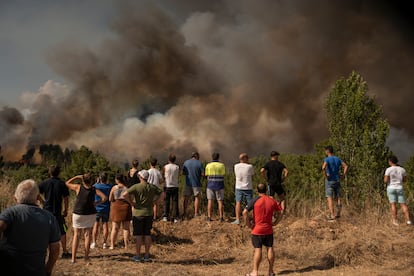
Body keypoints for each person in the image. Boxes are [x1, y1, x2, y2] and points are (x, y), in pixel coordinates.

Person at [0, 179, 60, 276]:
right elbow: (55, 249)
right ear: (37, 198)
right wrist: (48, 270)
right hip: (37, 271)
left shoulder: (10, 213)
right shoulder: (49, 217)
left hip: (9, 268)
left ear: (15, 198)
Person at [66, 173, 107, 263]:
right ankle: (86, 257)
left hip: (78, 213)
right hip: (90, 213)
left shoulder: (78, 187)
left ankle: (73, 259)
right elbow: (104, 198)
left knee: (76, 235)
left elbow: (67, 183)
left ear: (83, 180)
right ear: (91, 180)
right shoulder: (93, 189)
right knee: (87, 234)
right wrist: (96, 203)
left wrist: (76, 176)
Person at [243, 183, 283, 276]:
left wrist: (248, 224)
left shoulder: (255, 200)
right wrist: (276, 222)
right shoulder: (271, 200)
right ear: (266, 190)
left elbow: (244, 212)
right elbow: (281, 212)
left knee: (258, 249)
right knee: (270, 248)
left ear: (257, 191)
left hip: (257, 229)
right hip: (268, 229)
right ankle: (271, 271)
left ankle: (255, 271)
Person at [124, 170, 163, 262]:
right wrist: (155, 202)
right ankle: (146, 255)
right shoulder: (152, 187)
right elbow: (162, 193)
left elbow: (124, 194)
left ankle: (138, 255)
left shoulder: (136, 186)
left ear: (140, 177)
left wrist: (131, 203)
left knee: (138, 235)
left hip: (138, 213)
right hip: (149, 213)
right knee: (147, 234)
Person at [39, 165, 70, 258]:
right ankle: (64, 251)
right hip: (58, 212)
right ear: (59, 172)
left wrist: (42, 201)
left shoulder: (44, 183)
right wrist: (66, 209)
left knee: (46, 231)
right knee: (63, 230)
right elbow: (66, 198)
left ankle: (45, 251)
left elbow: (36, 192)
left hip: (46, 211)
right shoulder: (62, 183)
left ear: (49, 172)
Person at [322, 146, 348, 220]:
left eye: (325, 151)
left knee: (329, 197)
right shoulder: (337, 159)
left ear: (327, 151)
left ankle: (332, 215)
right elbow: (346, 166)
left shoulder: (327, 159)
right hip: (337, 180)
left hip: (329, 181)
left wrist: (326, 175)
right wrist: (343, 175)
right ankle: (338, 213)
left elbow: (323, 167)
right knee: (338, 197)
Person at [384, 156, 412, 226]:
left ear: (390, 161)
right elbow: (405, 180)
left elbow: (385, 180)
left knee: (393, 204)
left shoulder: (388, 169)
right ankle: (408, 220)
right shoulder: (402, 169)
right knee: (403, 204)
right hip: (399, 188)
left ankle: (395, 221)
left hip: (391, 188)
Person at [109, 174, 132, 249]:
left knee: (115, 227)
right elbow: (130, 198)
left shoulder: (114, 188)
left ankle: (112, 245)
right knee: (126, 228)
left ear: (117, 180)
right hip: (126, 206)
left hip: (116, 206)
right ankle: (126, 245)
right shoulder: (127, 188)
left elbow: (110, 199)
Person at [91, 172, 113, 249]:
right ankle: (104, 243)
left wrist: (96, 182)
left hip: (96, 208)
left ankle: (94, 242)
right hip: (106, 208)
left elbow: (91, 188)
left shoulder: (95, 186)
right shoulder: (110, 186)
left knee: (96, 225)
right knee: (105, 225)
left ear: (100, 178)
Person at [232, 153, 254, 225]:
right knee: (251, 204)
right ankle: (252, 219)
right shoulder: (250, 166)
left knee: (238, 202)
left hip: (238, 187)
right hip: (248, 187)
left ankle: (237, 219)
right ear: (245, 159)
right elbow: (252, 175)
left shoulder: (235, 166)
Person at [205, 152, 226, 222]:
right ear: (218, 157)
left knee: (210, 201)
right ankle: (221, 217)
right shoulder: (221, 165)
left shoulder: (208, 165)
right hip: (219, 185)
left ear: (212, 157)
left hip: (210, 185)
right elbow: (223, 174)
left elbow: (206, 174)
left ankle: (209, 217)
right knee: (220, 201)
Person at [183, 152, 204, 218]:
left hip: (188, 183)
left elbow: (183, 172)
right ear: (197, 156)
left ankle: (184, 212)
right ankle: (196, 213)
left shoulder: (186, 162)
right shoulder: (199, 163)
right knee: (197, 197)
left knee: (186, 198)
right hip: (196, 183)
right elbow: (203, 174)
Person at [162, 154, 180, 223]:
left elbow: (163, 175)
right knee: (175, 202)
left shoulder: (165, 167)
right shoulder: (177, 167)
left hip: (167, 186)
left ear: (168, 160)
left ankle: (165, 216)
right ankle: (175, 217)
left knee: (166, 201)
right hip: (175, 186)